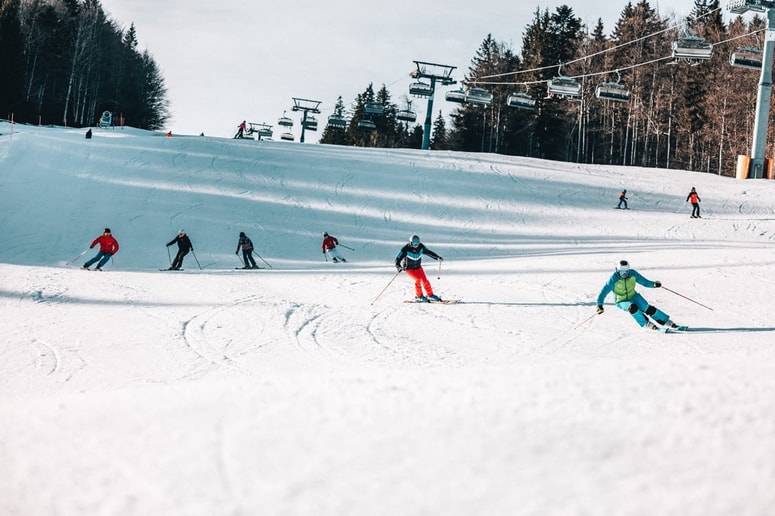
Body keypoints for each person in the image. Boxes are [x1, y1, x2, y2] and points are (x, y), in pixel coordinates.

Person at [596, 259, 684, 331]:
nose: (624, 274)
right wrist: (599, 305)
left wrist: (653, 284)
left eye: (626, 271)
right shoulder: (613, 279)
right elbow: (603, 292)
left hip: (634, 296)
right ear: (617, 270)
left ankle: (667, 322)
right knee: (632, 307)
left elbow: (644, 282)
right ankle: (646, 323)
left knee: (648, 308)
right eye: (622, 272)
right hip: (621, 301)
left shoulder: (633, 274)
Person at [395, 235, 443, 302]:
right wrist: (399, 267)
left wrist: (437, 257)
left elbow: (429, 252)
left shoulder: (421, 247)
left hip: (418, 267)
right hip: (409, 269)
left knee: (425, 280)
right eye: (414, 244)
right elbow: (397, 259)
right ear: (410, 243)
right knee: (418, 279)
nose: (416, 245)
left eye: (417, 243)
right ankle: (419, 296)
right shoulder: (405, 249)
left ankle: (430, 295)